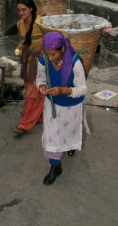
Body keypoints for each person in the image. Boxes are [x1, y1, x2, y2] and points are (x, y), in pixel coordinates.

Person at [36, 31, 87, 185]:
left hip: (72, 106)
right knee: (52, 138)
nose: (50, 58)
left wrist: (64, 90)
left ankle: (69, 145)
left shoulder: (75, 62)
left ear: (62, 49)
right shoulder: (43, 59)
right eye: (47, 54)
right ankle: (55, 166)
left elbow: (82, 89)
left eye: (53, 55)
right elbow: (40, 78)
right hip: (52, 104)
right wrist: (42, 86)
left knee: (69, 132)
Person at [13, 0, 44, 137]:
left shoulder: (42, 22)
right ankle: (39, 116)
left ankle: (25, 123)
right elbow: (22, 41)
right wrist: (19, 48)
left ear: (31, 8)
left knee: (34, 93)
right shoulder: (20, 24)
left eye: (23, 9)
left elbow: (53, 41)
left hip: (42, 62)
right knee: (32, 90)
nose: (21, 13)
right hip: (28, 62)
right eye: (19, 10)